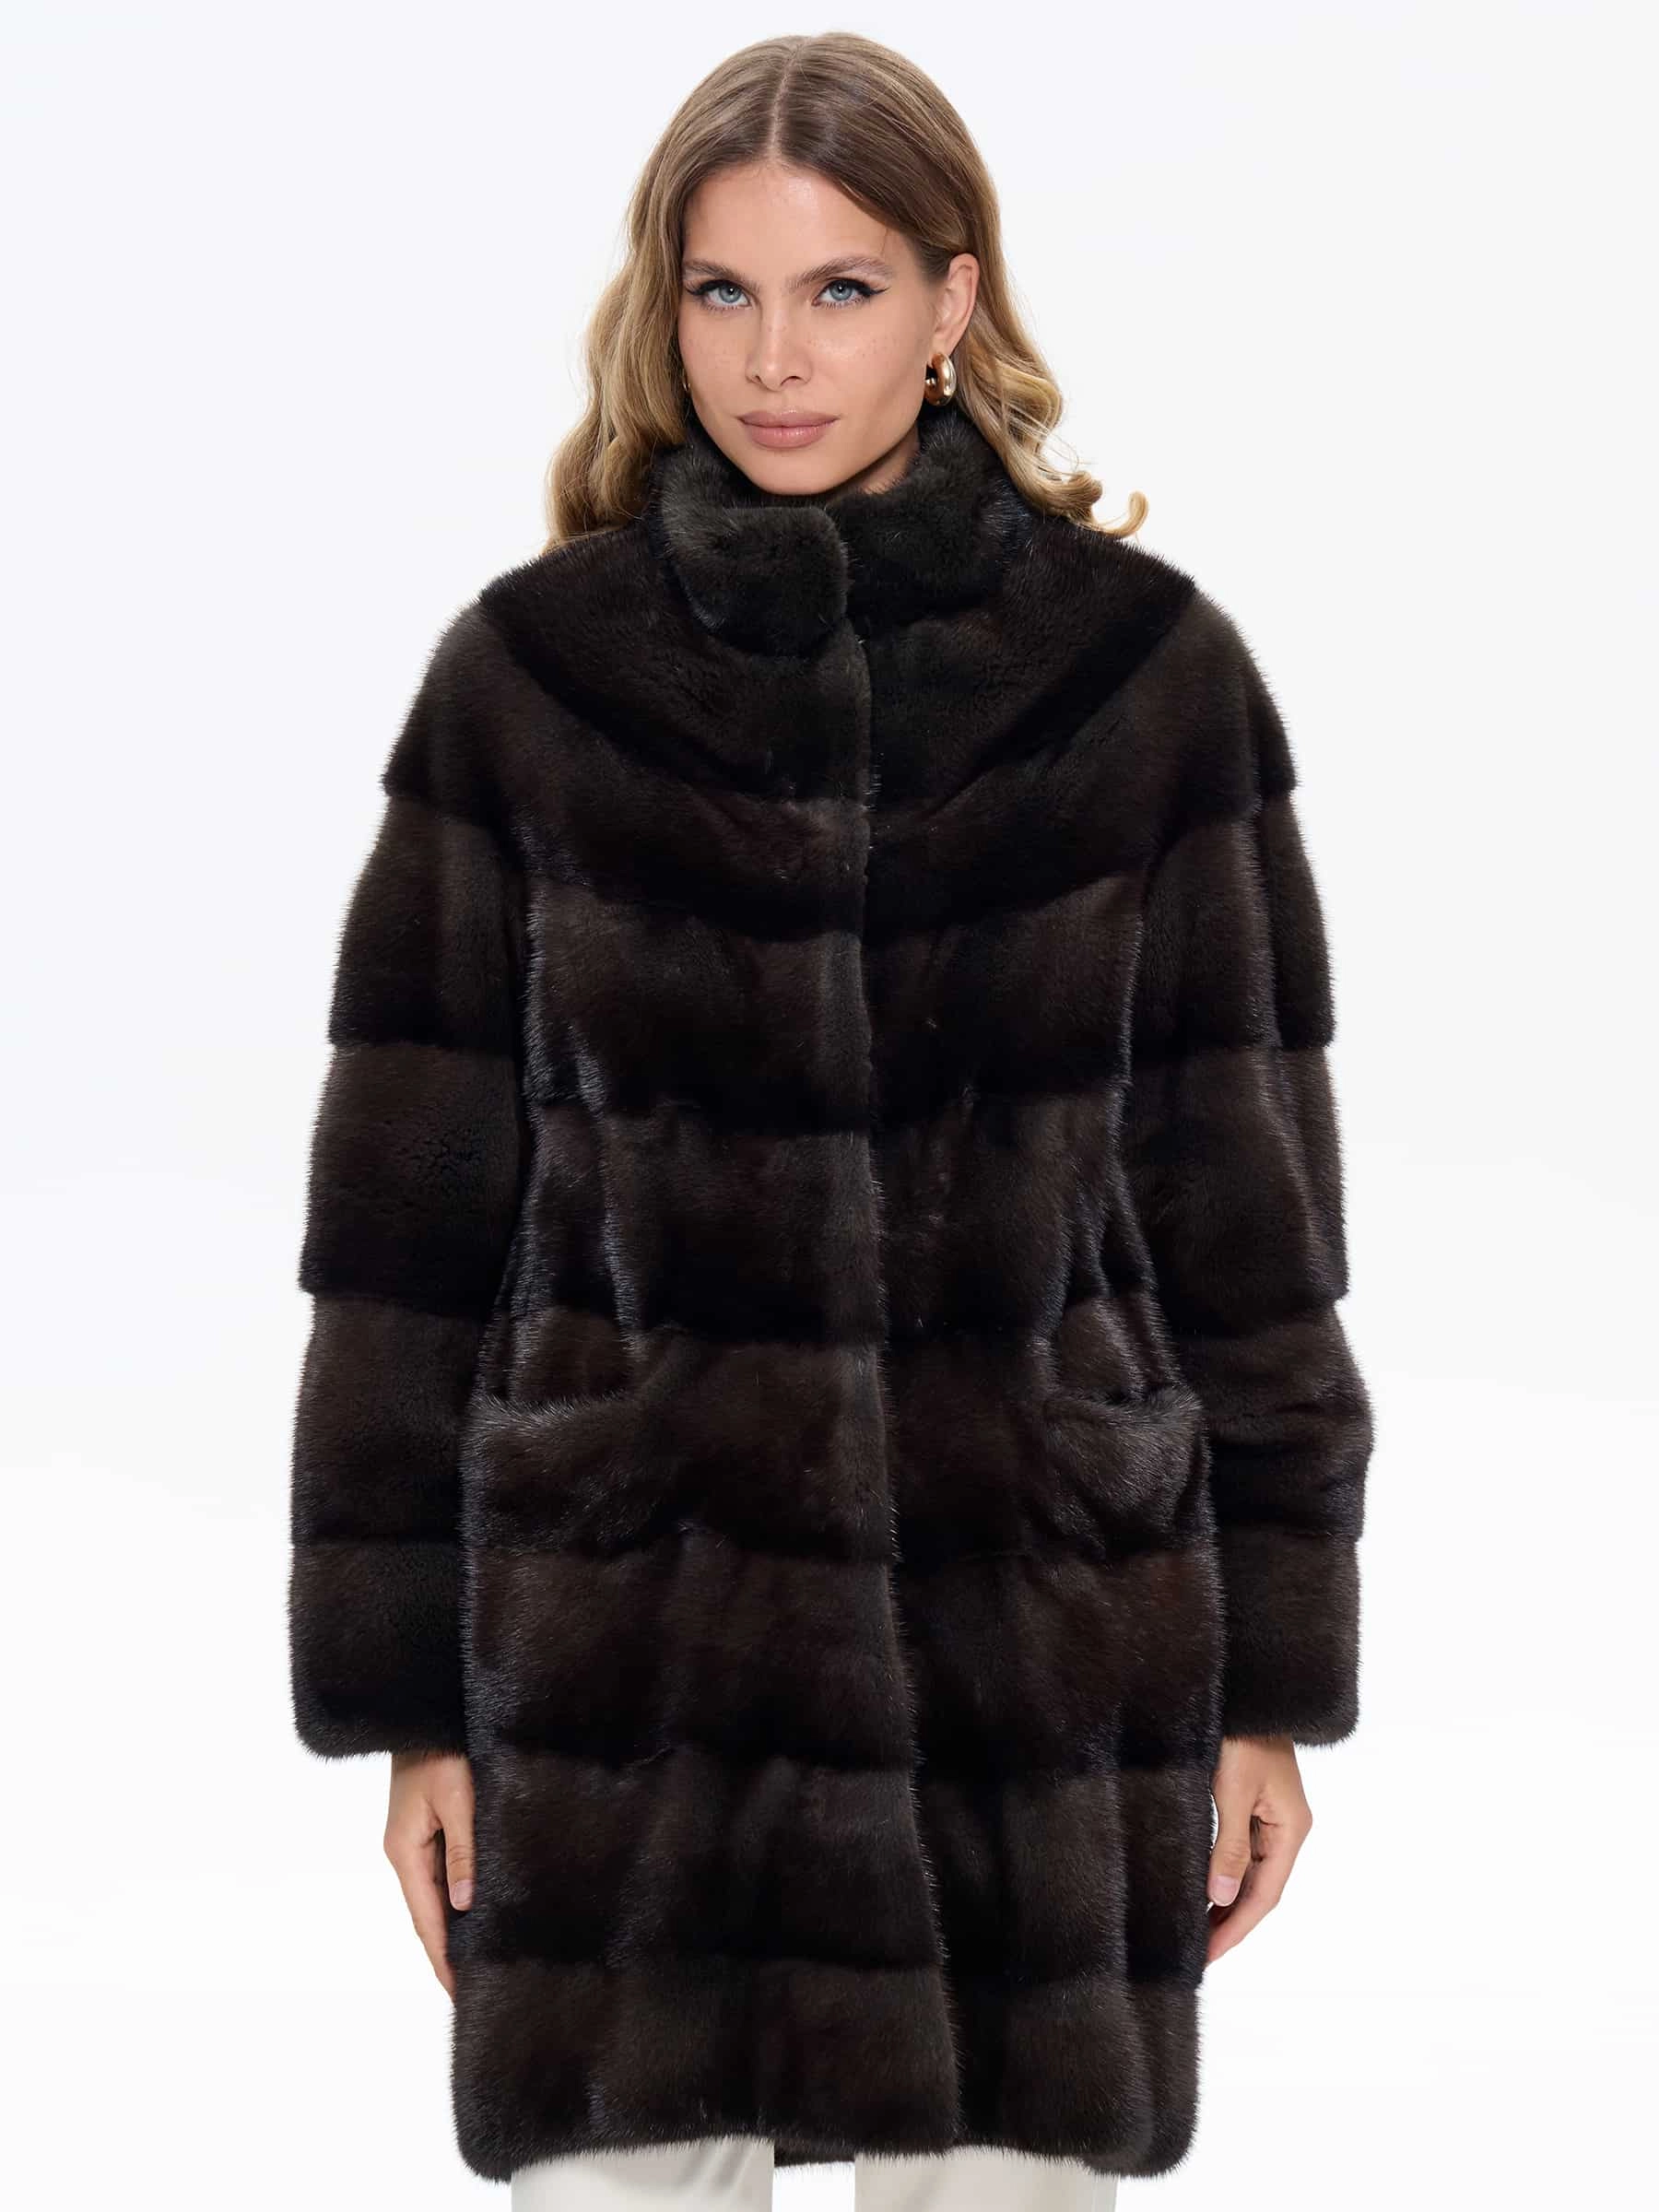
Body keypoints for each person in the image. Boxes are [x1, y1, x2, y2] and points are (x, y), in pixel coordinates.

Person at [287, 30, 1374, 2210]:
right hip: (629, 1640)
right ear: (664, 305)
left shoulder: (1144, 682)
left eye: (841, 289)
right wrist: (412, 1704)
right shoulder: (534, 687)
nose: (774, 358)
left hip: (1036, 1632)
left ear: (953, 299)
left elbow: (1247, 1223)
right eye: (723, 291)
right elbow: (405, 1238)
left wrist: (1270, 1682)